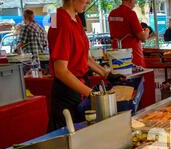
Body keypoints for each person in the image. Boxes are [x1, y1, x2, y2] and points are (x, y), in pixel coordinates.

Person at [47, 0, 121, 131]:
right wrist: (92, 94)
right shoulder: (59, 19)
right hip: (67, 93)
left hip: (80, 87)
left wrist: (106, 74)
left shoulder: (76, 19)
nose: (89, 1)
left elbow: (85, 57)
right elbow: (60, 71)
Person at [108, 0, 150, 67]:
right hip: (132, 56)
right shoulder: (130, 13)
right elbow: (143, 37)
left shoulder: (112, 13)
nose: (135, 2)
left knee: (119, 75)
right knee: (135, 75)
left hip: (116, 56)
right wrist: (147, 31)